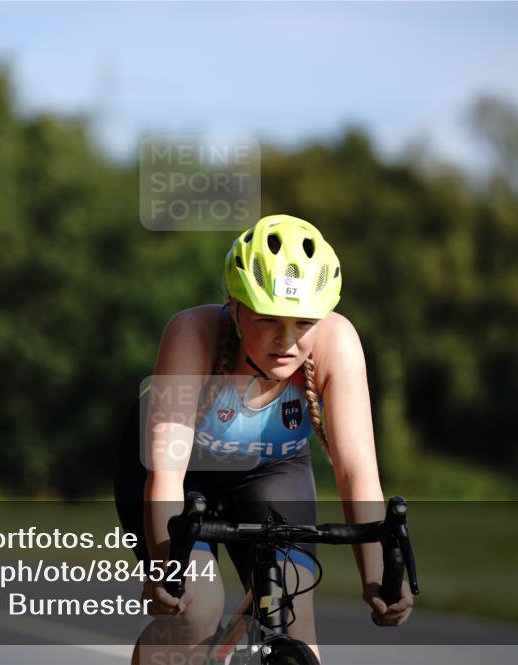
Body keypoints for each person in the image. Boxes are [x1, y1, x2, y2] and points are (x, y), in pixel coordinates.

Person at [113, 214, 414, 665]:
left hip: (270, 469)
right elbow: (166, 473)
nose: (287, 342)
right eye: (269, 319)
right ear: (235, 310)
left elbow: (356, 471)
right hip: (178, 474)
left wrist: (380, 578)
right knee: (196, 611)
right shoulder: (192, 334)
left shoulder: (339, 342)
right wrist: (166, 572)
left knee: (293, 613)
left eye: (303, 323)